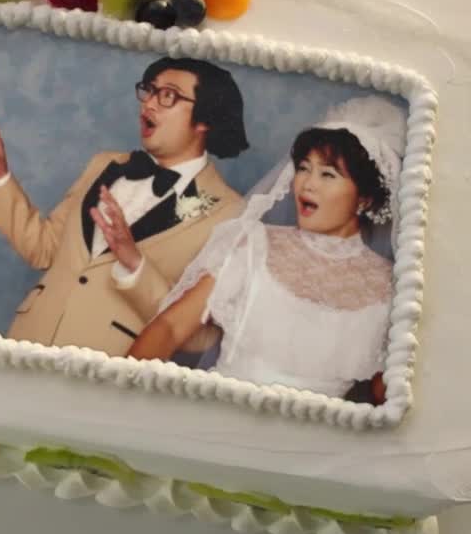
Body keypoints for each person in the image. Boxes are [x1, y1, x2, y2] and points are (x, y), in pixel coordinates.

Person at [127, 96, 405, 402]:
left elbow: (386, 393)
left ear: (364, 197)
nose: (306, 184)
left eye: (327, 174)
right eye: (303, 168)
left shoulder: (390, 286)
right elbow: (170, 328)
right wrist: (120, 395)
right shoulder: (252, 244)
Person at [0, 57, 249, 357]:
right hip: (27, 342)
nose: (149, 105)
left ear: (206, 117)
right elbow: (43, 248)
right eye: (149, 91)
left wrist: (136, 265)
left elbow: (201, 338)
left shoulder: (229, 211)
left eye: (168, 95)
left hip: (107, 368)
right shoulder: (104, 164)